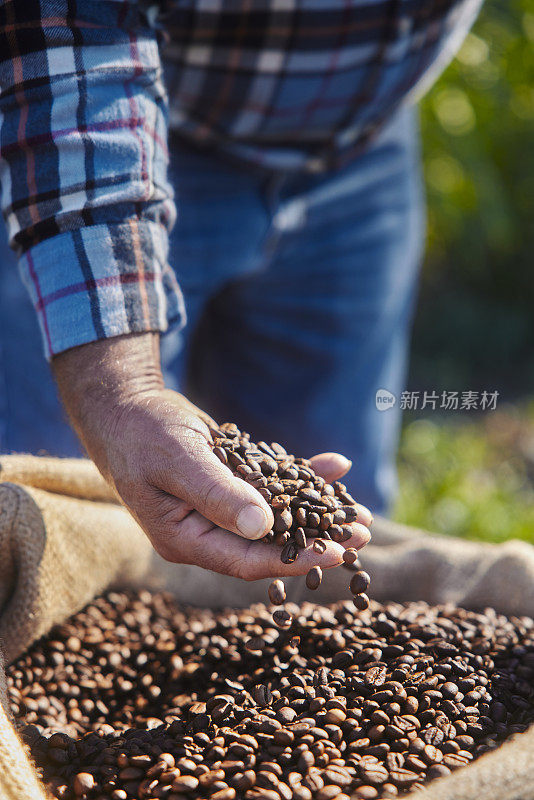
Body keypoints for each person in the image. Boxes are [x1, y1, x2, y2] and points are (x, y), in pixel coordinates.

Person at [0, 0, 481, 579]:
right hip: (116, 130)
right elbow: (68, 20)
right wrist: (124, 388)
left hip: (364, 142)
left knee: (344, 528)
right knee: (55, 505)